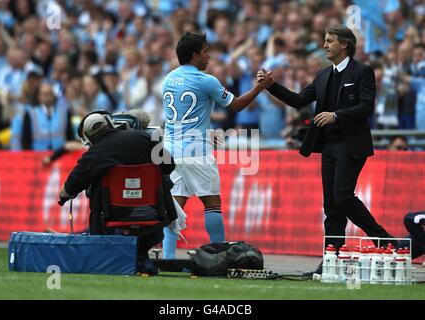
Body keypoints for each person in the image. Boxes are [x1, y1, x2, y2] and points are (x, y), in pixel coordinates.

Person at [258, 25, 395, 275]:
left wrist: (336, 115)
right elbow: (299, 100)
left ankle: (385, 241)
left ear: (344, 44)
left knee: (342, 197)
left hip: (351, 144)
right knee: (331, 205)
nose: (324, 45)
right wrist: (271, 86)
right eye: (325, 40)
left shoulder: (362, 71)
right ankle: (332, 260)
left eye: (329, 41)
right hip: (329, 146)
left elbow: (366, 107)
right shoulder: (322, 75)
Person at [161, 32, 274, 259]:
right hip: (197, 152)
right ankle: (220, 257)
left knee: (175, 207)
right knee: (212, 203)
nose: (209, 56)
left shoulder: (168, 79)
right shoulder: (206, 80)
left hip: (170, 152)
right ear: (194, 55)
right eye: (205, 52)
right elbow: (237, 106)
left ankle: (168, 258)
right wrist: (260, 87)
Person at [57, 111, 177, 259]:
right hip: (152, 212)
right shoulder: (146, 139)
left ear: (88, 137)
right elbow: (169, 166)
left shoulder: (95, 153)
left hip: (114, 215)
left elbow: (67, 190)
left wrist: (62, 198)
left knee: (96, 190)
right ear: (110, 123)